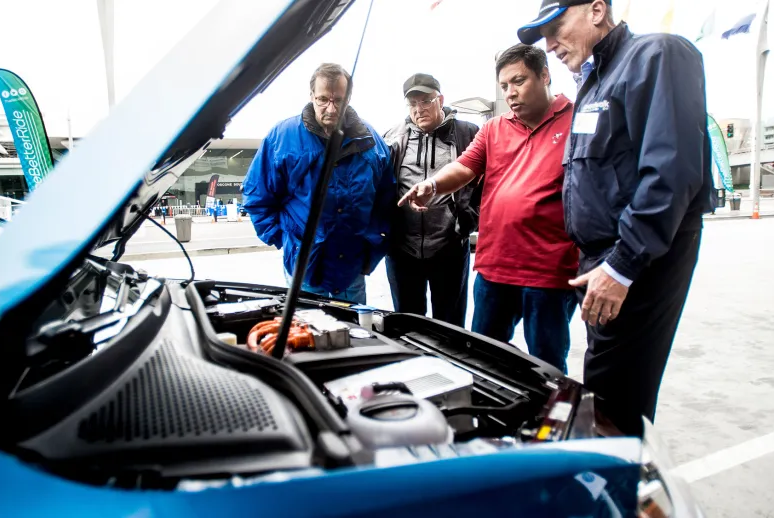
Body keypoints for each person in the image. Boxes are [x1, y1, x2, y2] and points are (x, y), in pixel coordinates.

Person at [517, 0, 715, 436]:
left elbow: (672, 171)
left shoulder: (657, 55)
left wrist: (622, 266)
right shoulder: (595, 83)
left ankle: (619, 491)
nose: (549, 45)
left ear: (596, 10)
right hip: (601, 262)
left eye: (555, 28)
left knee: (616, 401)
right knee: (603, 393)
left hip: (634, 262)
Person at [397, 45, 579, 373]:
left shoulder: (577, 122)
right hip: (495, 269)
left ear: (545, 76)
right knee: (482, 360)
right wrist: (433, 185)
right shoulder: (494, 129)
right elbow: (465, 167)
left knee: (547, 365)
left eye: (519, 81)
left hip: (549, 271)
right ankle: (490, 424)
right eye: (504, 85)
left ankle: (545, 423)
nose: (510, 93)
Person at [242, 63, 395, 305]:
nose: (331, 109)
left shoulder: (372, 142)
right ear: (311, 96)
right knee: (306, 338)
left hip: (351, 271)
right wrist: (285, 240)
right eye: (323, 99)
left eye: (338, 100)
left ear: (349, 97)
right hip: (304, 270)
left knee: (353, 336)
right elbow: (257, 197)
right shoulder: (281, 138)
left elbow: (386, 202)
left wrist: (372, 246)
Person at [383, 73, 480, 327]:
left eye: (426, 101)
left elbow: (485, 182)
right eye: (413, 103)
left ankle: (448, 366)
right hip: (402, 251)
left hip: (449, 247)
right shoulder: (393, 136)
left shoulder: (468, 133)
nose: (419, 109)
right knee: (407, 325)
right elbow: (381, 186)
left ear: (441, 100)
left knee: (449, 327)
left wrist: (470, 219)